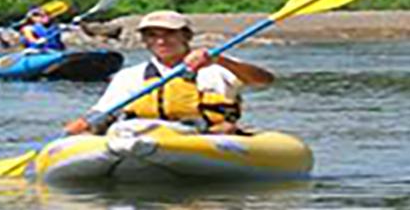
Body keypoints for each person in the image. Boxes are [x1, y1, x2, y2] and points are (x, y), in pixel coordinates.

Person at [64, 11, 274, 136]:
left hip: (208, 138)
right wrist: (82, 126)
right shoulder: (130, 76)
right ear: (144, 40)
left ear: (187, 36)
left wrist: (220, 59)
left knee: (226, 129)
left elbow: (263, 81)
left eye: (169, 34)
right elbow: (103, 112)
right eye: (152, 36)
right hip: (145, 139)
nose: (161, 41)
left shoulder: (217, 67)